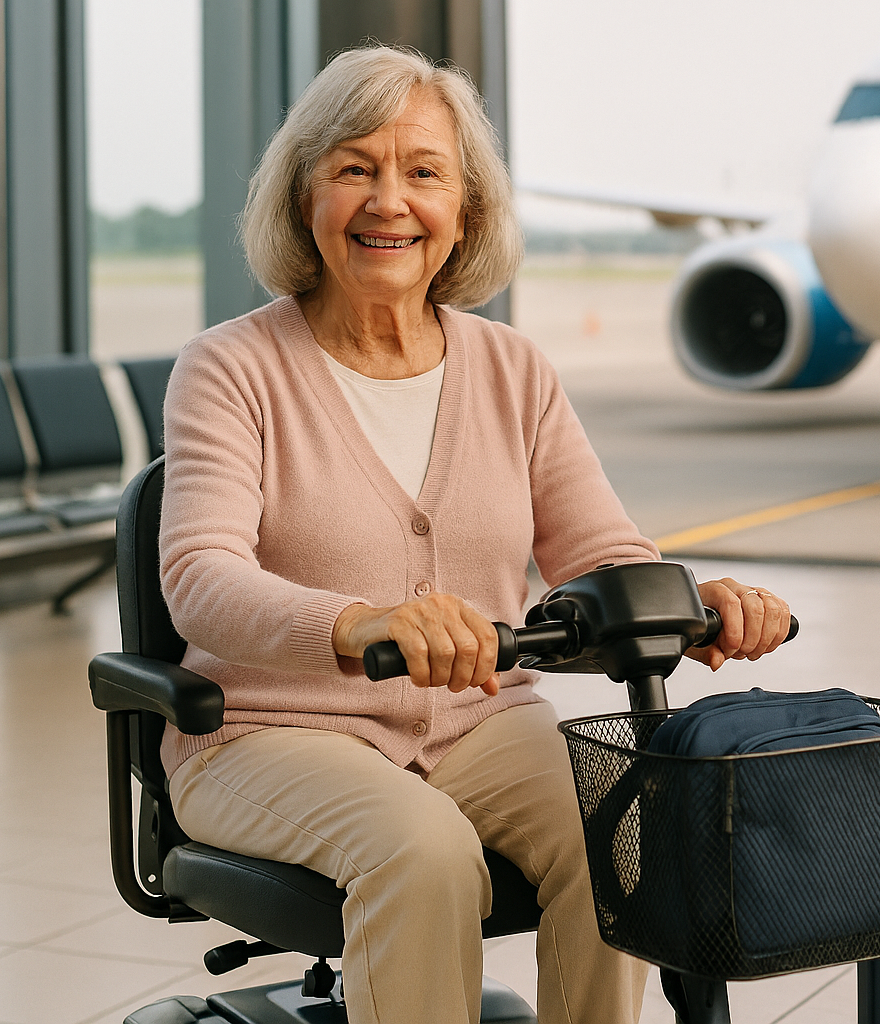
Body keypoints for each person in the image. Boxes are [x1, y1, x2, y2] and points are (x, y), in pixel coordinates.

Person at [157, 45, 791, 1024]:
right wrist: (361, 622)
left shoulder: (511, 369)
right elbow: (199, 578)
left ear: (467, 210)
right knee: (424, 851)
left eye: (423, 172)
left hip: (481, 726)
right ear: (303, 196)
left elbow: (603, 554)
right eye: (354, 168)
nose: (388, 201)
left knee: (625, 826)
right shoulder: (228, 368)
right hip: (269, 731)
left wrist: (695, 604)